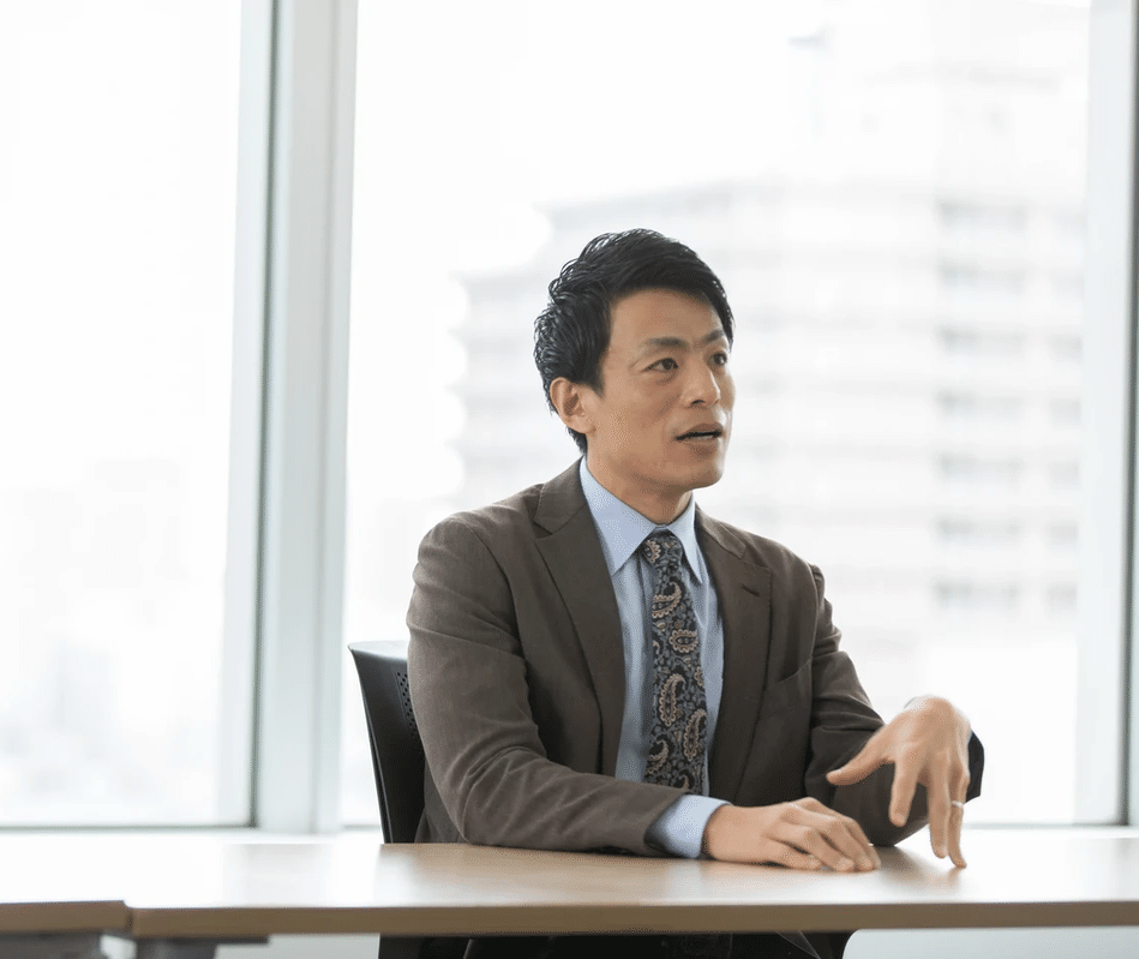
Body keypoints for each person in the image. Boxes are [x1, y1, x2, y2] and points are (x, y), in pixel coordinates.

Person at [405, 229, 983, 959]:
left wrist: (936, 721)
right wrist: (710, 822)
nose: (706, 390)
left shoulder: (782, 583)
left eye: (717, 358)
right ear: (574, 403)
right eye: (664, 364)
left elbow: (848, 794)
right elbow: (491, 786)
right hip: (545, 941)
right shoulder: (477, 557)